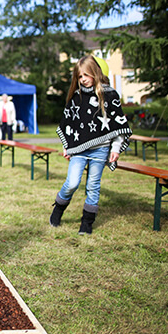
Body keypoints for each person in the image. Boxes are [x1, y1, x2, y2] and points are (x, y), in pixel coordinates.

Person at [50, 55, 132, 235]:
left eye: (87, 75)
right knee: (72, 183)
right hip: (79, 150)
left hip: (101, 149)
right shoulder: (77, 97)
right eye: (80, 76)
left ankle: (87, 223)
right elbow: (69, 123)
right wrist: (68, 146)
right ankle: (58, 209)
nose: (84, 79)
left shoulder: (109, 95)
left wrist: (116, 148)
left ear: (95, 73)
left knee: (93, 186)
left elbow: (118, 124)